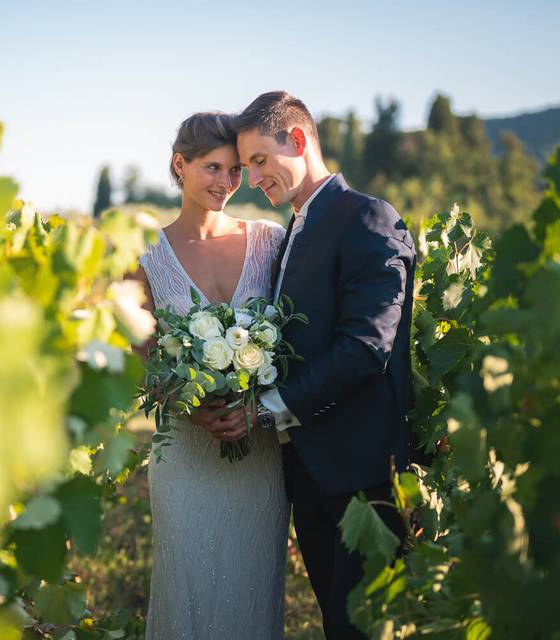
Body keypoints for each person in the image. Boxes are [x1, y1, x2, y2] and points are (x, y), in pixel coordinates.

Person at [234, 91, 416, 639]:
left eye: (259, 161)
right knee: (336, 624)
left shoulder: (366, 216)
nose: (252, 179)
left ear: (297, 139)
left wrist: (270, 409)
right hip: (310, 473)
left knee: (363, 629)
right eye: (245, 169)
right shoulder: (296, 229)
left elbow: (367, 345)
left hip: (364, 476)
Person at [131, 112, 289, 639]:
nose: (226, 183)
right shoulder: (145, 257)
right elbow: (144, 359)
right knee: (189, 588)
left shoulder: (270, 242)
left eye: (236, 171)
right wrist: (189, 404)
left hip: (259, 449)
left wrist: (256, 406)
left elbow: (293, 343)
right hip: (186, 453)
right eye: (213, 168)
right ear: (181, 165)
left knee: (252, 592)